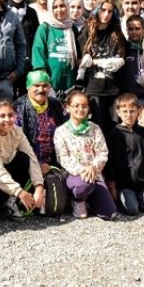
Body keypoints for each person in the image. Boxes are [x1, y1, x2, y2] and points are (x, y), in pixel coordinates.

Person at [54, 90, 117, 220]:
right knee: (83, 185)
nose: (80, 109)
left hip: (94, 174)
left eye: (84, 106)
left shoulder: (95, 128)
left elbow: (102, 152)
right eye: (76, 106)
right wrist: (83, 170)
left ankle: (91, 198)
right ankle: (78, 200)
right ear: (68, 108)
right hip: (74, 175)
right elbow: (62, 157)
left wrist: (93, 167)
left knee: (109, 213)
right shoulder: (61, 131)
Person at [0, 98, 46, 219]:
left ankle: (10, 201)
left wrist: (39, 187)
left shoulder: (17, 131)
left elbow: (32, 158)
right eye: (2, 116)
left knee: (24, 159)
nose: (7, 120)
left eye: (10, 115)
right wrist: (20, 192)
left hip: (6, 178)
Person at [77, 0, 127, 128]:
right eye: (103, 10)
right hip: (94, 88)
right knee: (97, 127)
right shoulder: (87, 31)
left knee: (115, 128)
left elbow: (123, 55)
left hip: (114, 87)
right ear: (96, 10)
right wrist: (95, 62)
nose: (106, 14)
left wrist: (118, 61)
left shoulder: (116, 32)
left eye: (110, 11)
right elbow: (79, 60)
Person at [105, 93, 144, 214]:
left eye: (132, 111)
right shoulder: (115, 133)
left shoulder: (143, 133)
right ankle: (127, 198)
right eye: (125, 111)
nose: (128, 115)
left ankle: (138, 196)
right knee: (132, 210)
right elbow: (110, 162)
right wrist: (112, 186)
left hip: (142, 182)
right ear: (118, 112)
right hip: (124, 183)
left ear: (138, 111)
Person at [14, 70, 67, 169]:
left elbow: (68, 130)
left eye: (45, 86)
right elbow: (16, 144)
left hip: (57, 162)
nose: (41, 89)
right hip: (28, 163)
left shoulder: (57, 105)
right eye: (36, 85)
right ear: (28, 86)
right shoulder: (18, 107)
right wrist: (36, 164)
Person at [31, 0, 78, 94]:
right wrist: (45, 82)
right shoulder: (44, 28)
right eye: (55, 7)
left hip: (70, 81)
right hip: (51, 82)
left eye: (62, 6)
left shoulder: (72, 27)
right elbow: (38, 55)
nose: (59, 10)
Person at [122, 16, 144, 106]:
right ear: (127, 31)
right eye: (131, 29)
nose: (134, 32)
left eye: (137, 28)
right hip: (128, 98)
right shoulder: (123, 49)